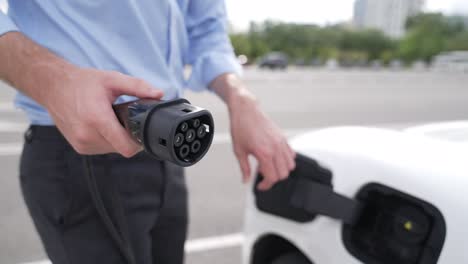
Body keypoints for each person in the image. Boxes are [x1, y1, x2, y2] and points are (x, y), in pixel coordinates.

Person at [0, 1, 296, 264]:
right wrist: (52, 80)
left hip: (166, 147)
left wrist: (240, 98)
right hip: (80, 152)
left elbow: (207, 28)